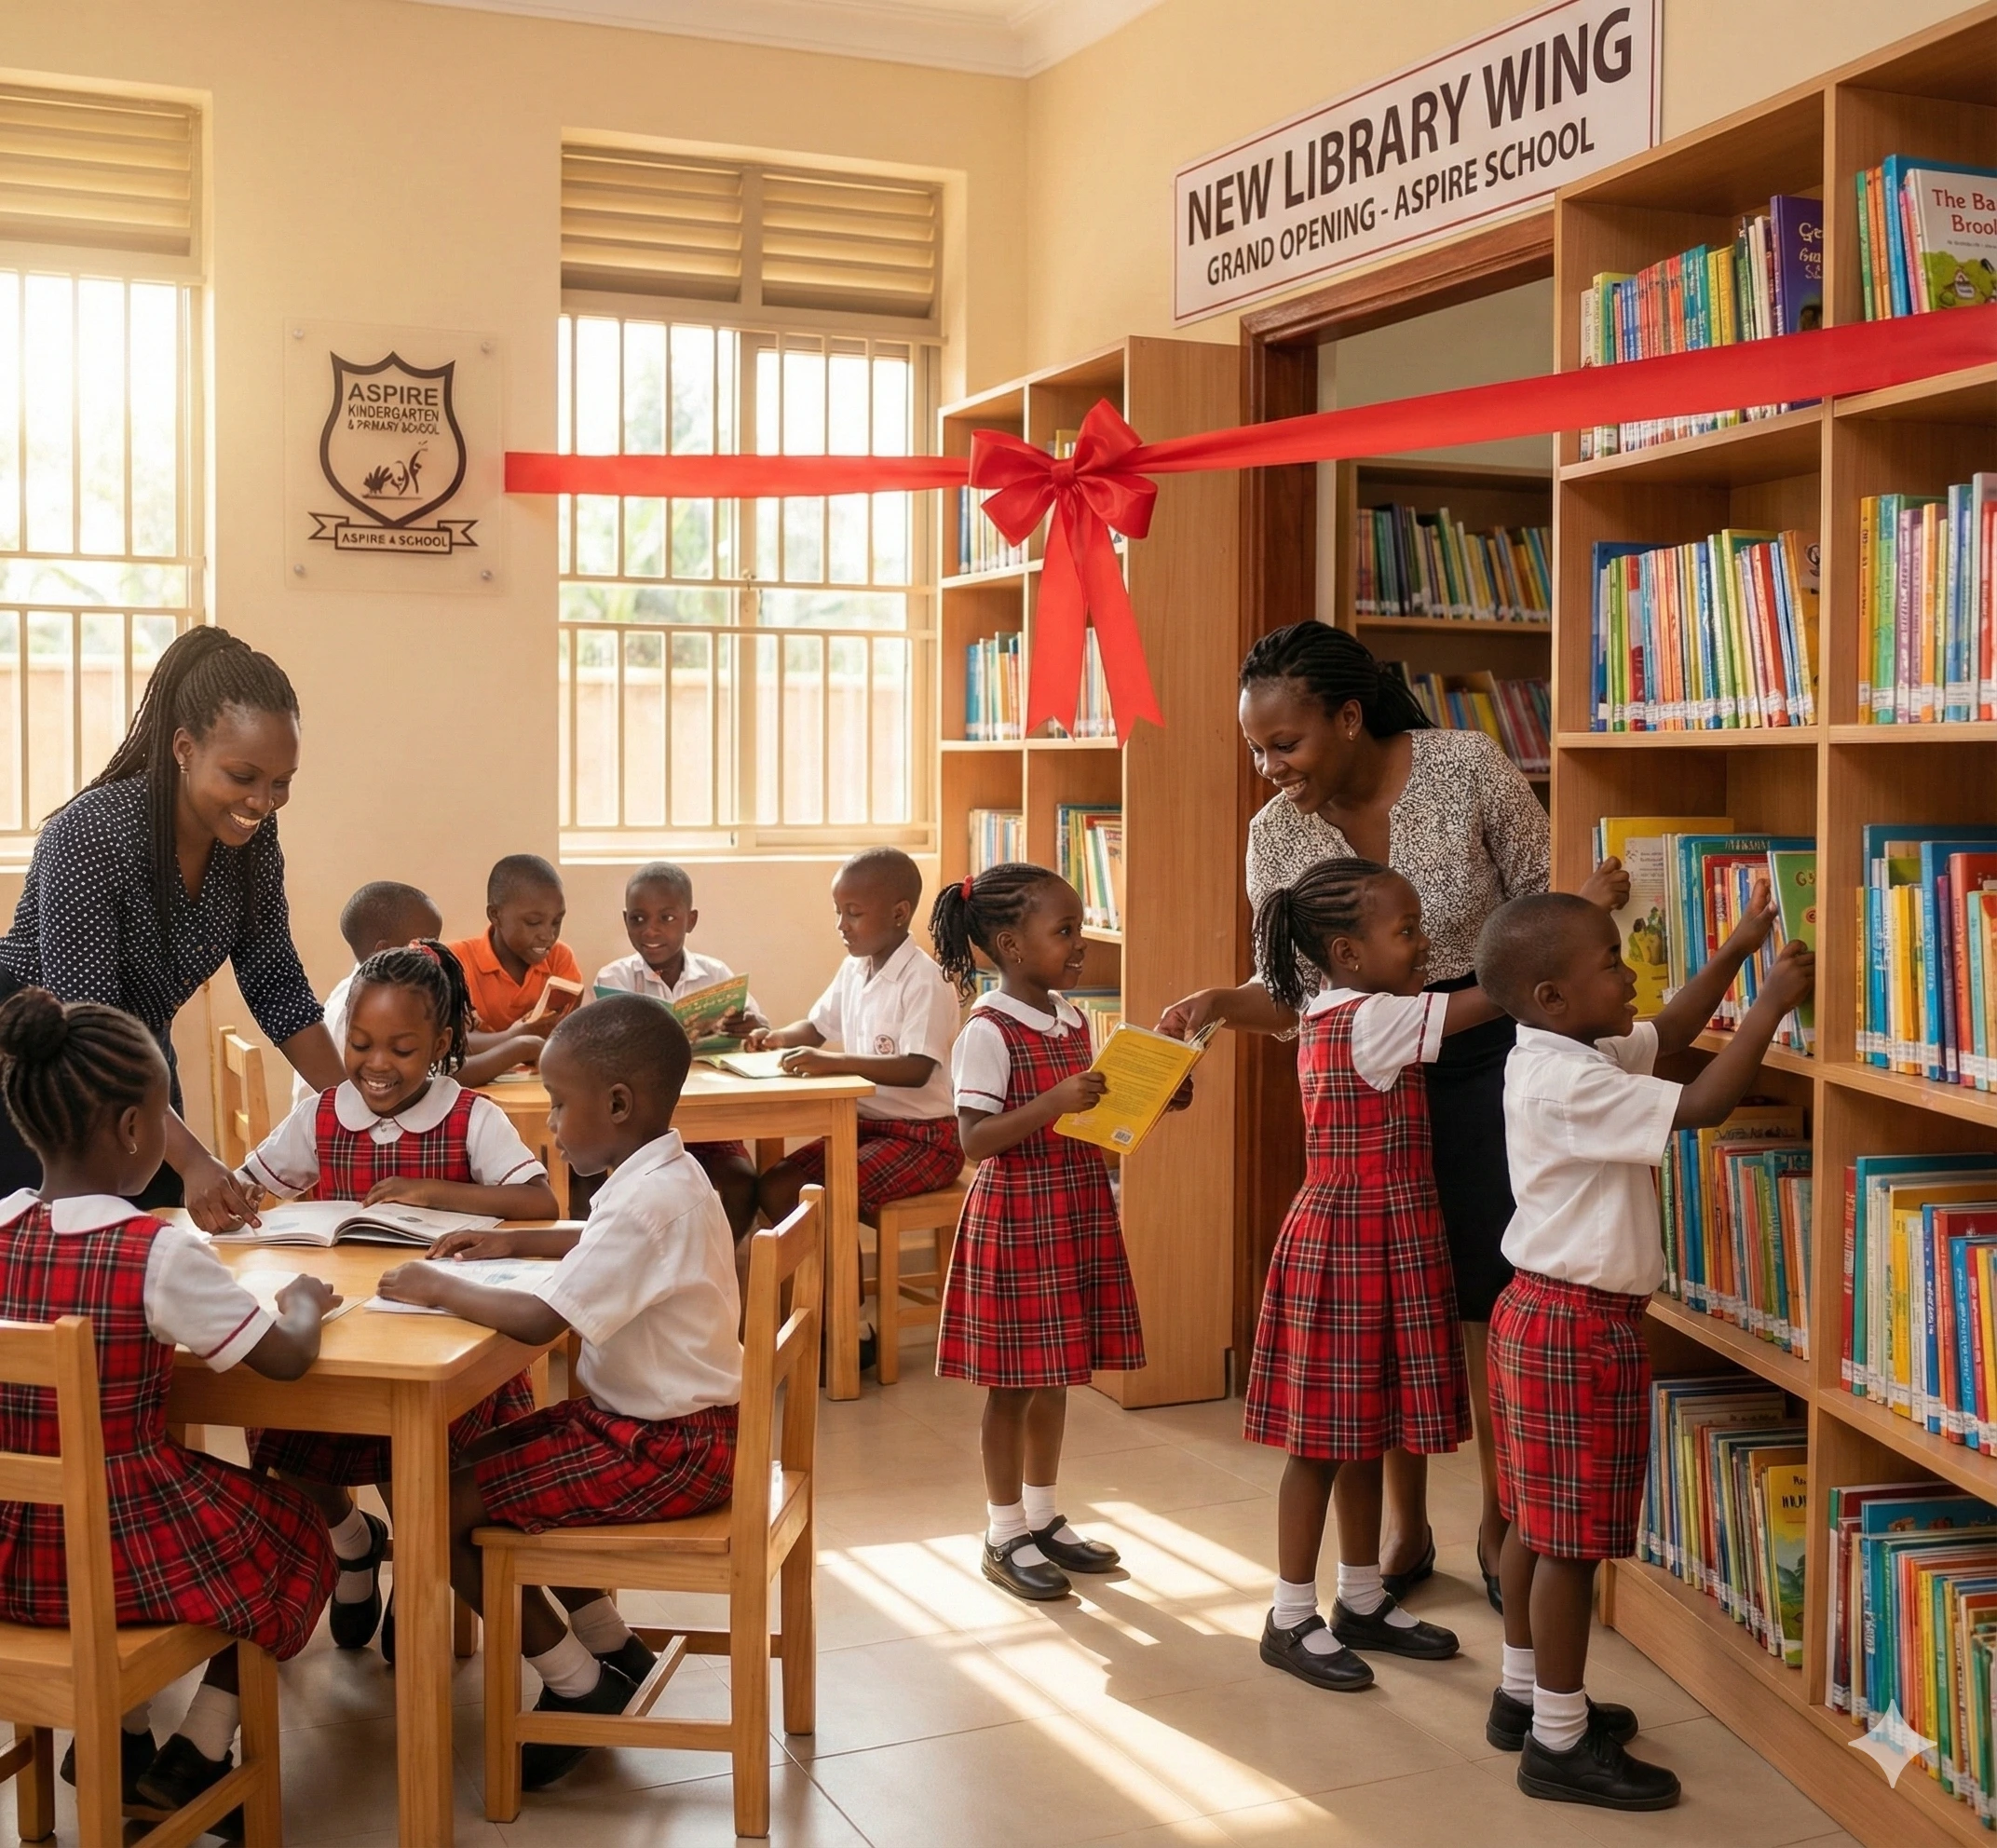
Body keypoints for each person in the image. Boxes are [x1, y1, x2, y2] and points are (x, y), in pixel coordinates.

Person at [1162, 621, 1626, 1609]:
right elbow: (1288, 993)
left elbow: (1544, 917)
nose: (1265, 766)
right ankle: (1407, 1534)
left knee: (1499, 1294)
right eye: (1254, 747)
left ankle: (1505, 1524)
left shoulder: (1464, 766)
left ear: (1346, 715)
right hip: (1375, 1077)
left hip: (1503, 1050)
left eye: (1282, 743)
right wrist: (1213, 1007)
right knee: (1397, 1308)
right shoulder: (1274, 835)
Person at [1474, 883, 1814, 1810]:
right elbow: (1701, 1098)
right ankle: (1556, 1740)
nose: (1628, 974)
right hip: (1576, 1329)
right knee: (1567, 1546)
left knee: (1527, 1519)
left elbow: (1665, 1030)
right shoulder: (1571, 1078)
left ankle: (1520, 1693)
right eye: (1610, 965)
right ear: (1551, 995)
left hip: (1533, 1315)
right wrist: (1773, 1006)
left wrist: (1737, 953)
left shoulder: (1554, 1048)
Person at [377, 995, 741, 1791]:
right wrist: (512, 1239)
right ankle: (612, 1644)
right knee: (462, 1471)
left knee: (436, 1511)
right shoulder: (664, 1174)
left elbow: (541, 1320)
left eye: (557, 1103)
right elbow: (598, 1236)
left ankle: (581, 1685)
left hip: (662, 1450)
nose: (550, 1122)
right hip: (667, 1429)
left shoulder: (648, 1201)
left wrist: (438, 1286)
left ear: (617, 1104)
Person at [0, 987, 336, 1816]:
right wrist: (304, 1300)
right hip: (116, 1543)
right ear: (132, 1131)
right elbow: (285, 1362)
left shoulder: (1, 1229)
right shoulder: (152, 1252)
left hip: (9, 1551)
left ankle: (118, 1735)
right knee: (298, 1533)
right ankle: (195, 1752)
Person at [233, 941, 557, 1663]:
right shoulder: (324, 1114)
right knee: (278, 1435)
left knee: (419, 1448)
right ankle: (353, 1543)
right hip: (346, 1322)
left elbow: (540, 1200)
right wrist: (233, 1196)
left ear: (441, 1045)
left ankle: (421, 1570)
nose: (377, 1065)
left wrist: (436, 1193)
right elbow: (254, 1182)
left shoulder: (470, 1115)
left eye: (403, 1049)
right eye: (360, 1043)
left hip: (441, 1333)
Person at [0, 626, 345, 1225]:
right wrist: (196, 1160)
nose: (263, 802)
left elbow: (276, 982)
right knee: (54, 1253)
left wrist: (356, 1113)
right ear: (185, 749)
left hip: (135, 1058)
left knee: (155, 1243)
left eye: (281, 781)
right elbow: (89, 1027)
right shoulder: (90, 837)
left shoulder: (251, 844)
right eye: (244, 777)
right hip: (36, 1067)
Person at [1248, 859, 1489, 1693]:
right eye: (1408, 931)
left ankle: (1358, 1597)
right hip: (1357, 1243)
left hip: (1377, 1238)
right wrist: (1552, 941)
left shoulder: (1331, 1004)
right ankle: (1288, 1615)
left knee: (1367, 1425)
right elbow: (1483, 1000)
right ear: (1349, 953)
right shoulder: (1374, 1018)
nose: (1425, 944)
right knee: (1321, 1441)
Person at [930, 863, 1181, 1604]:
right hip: (1017, 1218)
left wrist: (1158, 1093)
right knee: (1011, 1386)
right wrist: (1054, 1101)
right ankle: (1003, 1531)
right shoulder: (986, 1030)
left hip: (1072, 1206)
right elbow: (975, 1141)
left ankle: (1041, 1517)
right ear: (1010, 944)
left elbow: (1092, 1120)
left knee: (1056, 1374)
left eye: (1078, 928)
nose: (1079, 945)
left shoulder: (1069, 1016)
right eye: (1064, 931)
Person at [596, 861, 765, 1238]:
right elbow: (600, 1054)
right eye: (638, 919)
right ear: (626, 921)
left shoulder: (716, 974)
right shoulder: (615, 979)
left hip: (712, 1125)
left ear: (690, 920)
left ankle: (715, 1262)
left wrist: (753, 1028)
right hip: (641, 1131)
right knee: (639, 1195)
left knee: (742, 1183)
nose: (651, 931)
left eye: (667, 918)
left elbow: (760, 1028)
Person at [295, 883, 543, 1107]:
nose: (434, 953)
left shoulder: (377, 992)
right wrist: (520, 1047)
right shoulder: (358, 1006)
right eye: (424, 944)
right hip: (329, 1145)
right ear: (383, 950)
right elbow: (436, 1079)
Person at [447, 854, 583, 1036]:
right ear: (495, 915)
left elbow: (564, 1037)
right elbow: (456, 1042)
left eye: (557, 921)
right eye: (533, 922)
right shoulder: (456, 960)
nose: (548, 936)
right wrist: (516, 1037)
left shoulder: (559, 957)